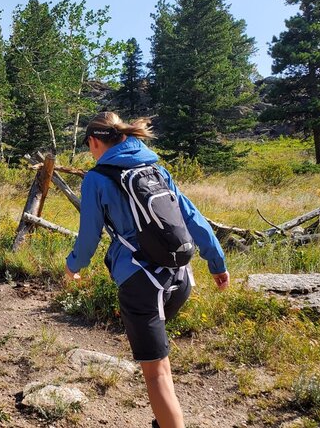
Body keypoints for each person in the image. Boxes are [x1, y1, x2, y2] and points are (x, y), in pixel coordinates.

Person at [64, 112, 230, 428]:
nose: (91, 152)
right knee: (159, 364)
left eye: (89, 146)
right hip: (180, 278)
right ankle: (164, 420)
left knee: (156, 375)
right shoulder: (156, 170)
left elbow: (88, 239)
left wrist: (72, 267)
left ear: (95, 141)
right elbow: (193, 218)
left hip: (141, 284)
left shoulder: (97, 179)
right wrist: (217, 263)